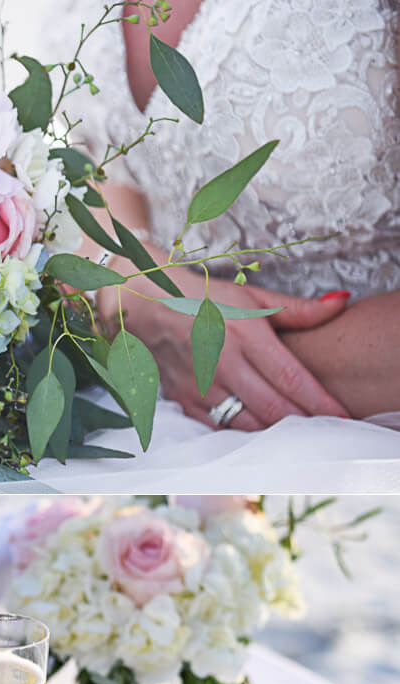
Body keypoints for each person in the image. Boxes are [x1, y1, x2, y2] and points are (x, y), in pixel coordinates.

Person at [41, 0, 400, 430]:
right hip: (145, 389)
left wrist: (209, 358)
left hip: (357, 414)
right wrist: (128, 288)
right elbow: (97, 164)